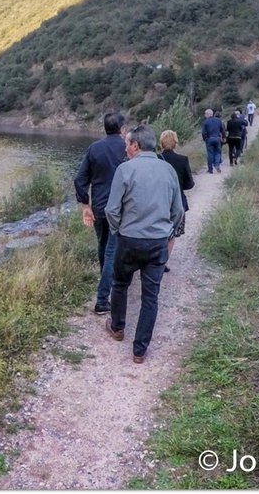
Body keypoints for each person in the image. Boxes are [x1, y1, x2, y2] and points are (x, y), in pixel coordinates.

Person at [104, 125, 184, 364]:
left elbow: (111, 209)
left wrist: (118, 229)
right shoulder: (168, 170)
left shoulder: (125, 169)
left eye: (127, 144)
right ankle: (139, 350)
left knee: (120, 284)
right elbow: (178, 210)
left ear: (136, 145)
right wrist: (168, 231)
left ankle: (117, 328)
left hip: (129, 240)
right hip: (158, 242)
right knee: (151, 296)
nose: (126, 149)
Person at [73, 112, 127, 314]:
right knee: (112, 252)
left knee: (103, 246)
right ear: (122, 129)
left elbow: (80, 180)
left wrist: (85, 205)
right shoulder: (128, 148)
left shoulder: (94, 148)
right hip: (118, 209)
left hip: (98, 207)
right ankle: (102, 300)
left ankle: (107, 281)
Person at [158, 129, 194, 274]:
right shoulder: (182, 160)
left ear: (161, 143)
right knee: (172, 233)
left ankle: (153, 259)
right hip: (177, 202)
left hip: (158, 201)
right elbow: (189, 184)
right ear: (175, 143)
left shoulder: (156, 159)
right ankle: (163, 261)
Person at [201, 109, 225, 174]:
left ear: (208, 114)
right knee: (218, 152)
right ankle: (217, 164)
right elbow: (223, 130)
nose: (205, 115)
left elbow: (203, 132)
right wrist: (224, 137)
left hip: (209, 139)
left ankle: (210, 169)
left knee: (210, 153)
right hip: (217, 138)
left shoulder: (206, 121)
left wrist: (204, 139)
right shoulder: (219, 120)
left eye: (205, 114)